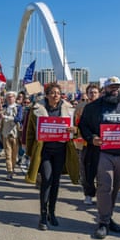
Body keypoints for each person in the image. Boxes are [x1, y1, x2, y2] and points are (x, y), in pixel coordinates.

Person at [79, 76, 120, 239]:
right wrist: (92, 138)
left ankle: (108, 216)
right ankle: (103, 222)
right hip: (102, 153)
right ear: (104, 89)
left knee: (116, 188)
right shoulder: (93, 107)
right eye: (111, 87)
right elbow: (83, 125)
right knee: (105, 186)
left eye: (117, 87)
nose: (115, 89)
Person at [25, 82, 79, 231]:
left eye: (57, 92)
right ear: (47, 95)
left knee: (56, 182)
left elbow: (76, 129)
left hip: (61, 150)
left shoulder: (69, 109)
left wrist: (74, 130)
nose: (55, 95)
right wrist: (29, 151)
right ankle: (43, 215)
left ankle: (52, 212)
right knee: (46, 180)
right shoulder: (36, 109)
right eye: (52, 93)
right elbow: (30, 131)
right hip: (45, 151)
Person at [73, 84, 100, 205]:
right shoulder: (80, 107)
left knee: (101, 170)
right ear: (87, 94)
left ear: (98, 94)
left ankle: (101, 195)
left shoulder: (104, 107)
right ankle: (88, 194)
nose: (93, 94)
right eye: (90, 92)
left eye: (95, 92)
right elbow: (75, 123)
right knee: (85, 170)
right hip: (83, 143)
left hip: (101, 144)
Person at [0, 91, 22, 181]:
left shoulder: (18, 107)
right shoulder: (3, 107)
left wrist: (7, 117)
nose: (10, 98)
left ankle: (13, 168)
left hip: (15, 133)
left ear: (15, 98)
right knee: (8, 154)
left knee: (14, 155)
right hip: (5, 133)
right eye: (8, 97)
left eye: (11, 97)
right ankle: (9, 171)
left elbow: (19, 118)